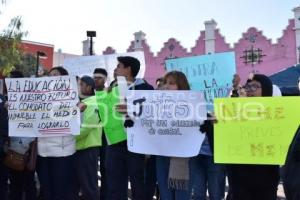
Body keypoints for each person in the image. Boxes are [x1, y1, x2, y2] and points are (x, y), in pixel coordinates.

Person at [106, 56, 154, 200]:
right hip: (114, 144)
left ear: (128, 69)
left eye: (119, 66)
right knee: (115, 185)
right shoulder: (111, 89)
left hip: (136, 145)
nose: (116, 69)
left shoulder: (146, 88)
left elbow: (151, 114)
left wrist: (131, 110)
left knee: (138, 185)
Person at [227, 74, 279, 200]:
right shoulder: (234, 114)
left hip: (265, 182)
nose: (250, 89)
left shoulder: (277, 117)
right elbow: (223, 145)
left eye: (255, 86)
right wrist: (212, 128)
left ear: (266, 90)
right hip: (239, 180)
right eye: (248, 86)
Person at [36, 66, 76, 200]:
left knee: (59, 190)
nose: (51, 77)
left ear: (64, 78)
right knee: (46, 189)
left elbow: (77, 125)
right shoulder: (39, 98)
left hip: (62, 153)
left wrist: (78, 111)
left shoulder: (72, 98)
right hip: (43, 152)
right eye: (50, 74)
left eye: (55, 75)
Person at [155, 71, 191, 200]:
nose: (167, 86)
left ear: (181, 86)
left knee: (182, 195)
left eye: (171, 83)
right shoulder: (156, 105)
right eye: (165, 83)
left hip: (182, 156)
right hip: (161, 154)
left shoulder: (192, 105)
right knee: (165, 194)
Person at [6, 70, 37, 200]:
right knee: (14, 187)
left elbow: (36, 136)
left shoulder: (32, 104)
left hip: (27, 153)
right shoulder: (5, 104)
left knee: (29, 186)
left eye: (12, 82)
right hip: (11, 154)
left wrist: (32, 159)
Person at [73, 76, 102, 200]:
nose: (78, 87)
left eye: (81, 85)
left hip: (88, 149)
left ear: (89, 87)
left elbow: (86, 128)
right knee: (78, 185)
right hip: (77, 149)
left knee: (89, 185)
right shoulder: (81, 102)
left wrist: (68, 137)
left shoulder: (95, 102)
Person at [93, 68, 108, 199]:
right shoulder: (88, 94)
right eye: (94, 77)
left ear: (105, 79)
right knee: (91, 170)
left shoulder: (110, 94)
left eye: (99, 77)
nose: (96, 79)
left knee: (105, 169)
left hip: (106, 137)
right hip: (90, 137)